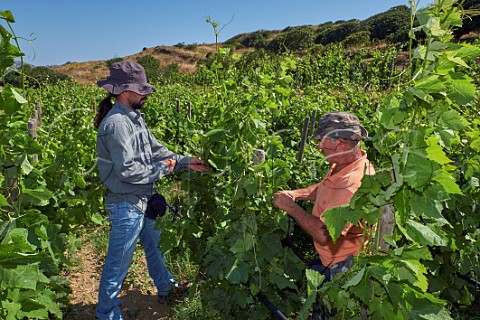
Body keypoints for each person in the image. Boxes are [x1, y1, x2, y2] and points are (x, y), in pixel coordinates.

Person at [93, 60, 209, 320]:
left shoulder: (134, 118)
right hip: (126, 204)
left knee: (154, 246)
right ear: (125, 91)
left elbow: (154, 149)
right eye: (141, 90)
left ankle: (166, 288)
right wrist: (165, 169)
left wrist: (183, 161)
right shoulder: (117, 125)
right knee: (118, 264)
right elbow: (128, 171)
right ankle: (106, 314)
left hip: (142, 197)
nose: (146, 94)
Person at [273, 111, 374, 280]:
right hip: (331, 259)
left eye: (322, 141)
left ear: (340, 144)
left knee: (327, 306)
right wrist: (297, 194)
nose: (319, 146)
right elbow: (326, 188)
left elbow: (324, 234)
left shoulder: (353, 183)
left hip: (342, 269)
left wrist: (290, 207)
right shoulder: (345, 164)